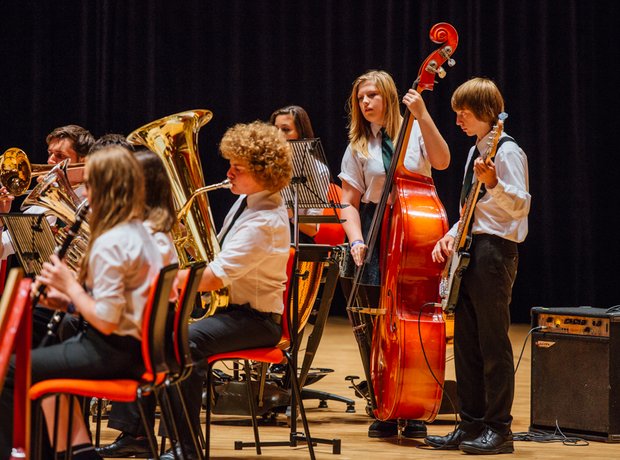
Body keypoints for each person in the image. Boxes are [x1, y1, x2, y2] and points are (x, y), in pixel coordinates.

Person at [98, 121, 293, 460]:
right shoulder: (247, 202)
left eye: (238, 167)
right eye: (230, 164)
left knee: (185, 342)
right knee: (146, 330)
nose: (229, 172)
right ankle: (137, 434)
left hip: (256, 320)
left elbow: (214, 277)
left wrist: (156, 277)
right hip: (231, 312)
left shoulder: (266, 221)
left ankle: (185, 447)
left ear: (264, 172)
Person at [0, 145, 164, 460]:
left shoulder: (111, 243)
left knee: (10, 370)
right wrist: (67, 302)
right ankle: (75, 452)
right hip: (138, 349)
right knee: (39, 357)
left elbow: (106, 320)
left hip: (114, 353)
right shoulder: (141, 232)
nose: (82, 194)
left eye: (88, 184)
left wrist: (71, 289)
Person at [338, 70, 450, 439]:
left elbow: (443, 160)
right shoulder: (357, 145)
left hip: (412, 224)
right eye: (360, 98)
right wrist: (356, 240)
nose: (365, 103)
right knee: (375, 323)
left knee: (412, 318)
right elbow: (349, 203)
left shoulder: (415, 129)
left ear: (388, 96)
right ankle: (383, 403)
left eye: (371, 95)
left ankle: (412, 404)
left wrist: (423, 114)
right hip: (375, 228)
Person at [425, 77, 530, 455]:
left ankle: (500, 429)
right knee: (467, 343)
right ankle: (470, 424)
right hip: (471, 248)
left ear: (486, 113)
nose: (458, 120)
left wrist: (496, 183)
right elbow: (474, 208)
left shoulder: (507, 152)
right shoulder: (475, 151)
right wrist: (450, 233)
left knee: (492, 343)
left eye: (464, 113)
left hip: (495, 252)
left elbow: (520, 206)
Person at [95, 148, 179, 459]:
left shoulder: (147, 236)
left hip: (137, 342)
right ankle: (134, 434)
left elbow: (114, 308)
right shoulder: (152, 232)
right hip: (142, 334)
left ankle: (70, 443)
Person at [270, 105, 329, 243]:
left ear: (300, 133)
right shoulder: (264, 165)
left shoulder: (318, 170)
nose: (278, 136)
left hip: (293, 239)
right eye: (274, 130)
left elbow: (312, 228)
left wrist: (290, 213)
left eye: (285, 130)